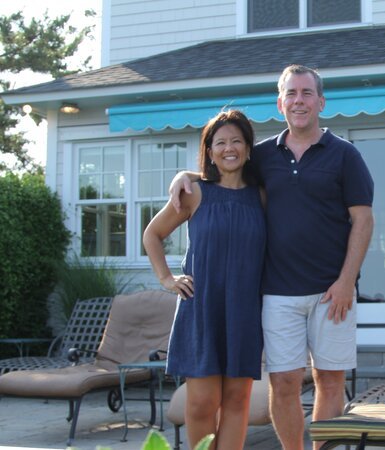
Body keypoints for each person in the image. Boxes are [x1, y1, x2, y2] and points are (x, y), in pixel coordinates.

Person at [169, 64, 374, 450]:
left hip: (334, 292)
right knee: (283, 383)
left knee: (330, 381)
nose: (299, 101)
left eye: (307, 93)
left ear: (321, 101)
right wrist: (186, 176)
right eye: (291, 94)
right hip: (277, 292)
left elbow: (363, 220)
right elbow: (223, 170)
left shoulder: (346, 155)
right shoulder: (261, 155)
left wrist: (347, 280)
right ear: (280, 104)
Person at [143, 109, 266, 450]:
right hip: (201, 309)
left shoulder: (262, 195)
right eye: (221, 142)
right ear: (209, 150)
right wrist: (167, 279)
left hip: (244, 310)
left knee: (237, 401)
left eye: (237, 141)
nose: (229, 148)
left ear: (248, 148)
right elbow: (153, 234)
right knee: (200, 403)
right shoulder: (194, 193)